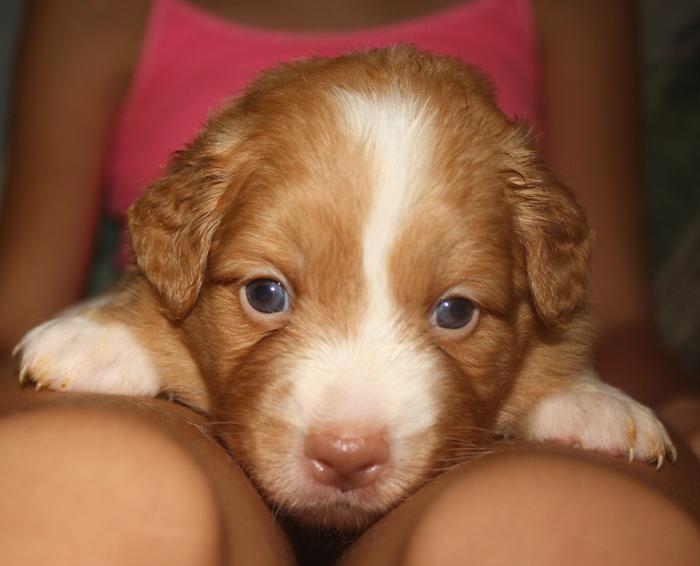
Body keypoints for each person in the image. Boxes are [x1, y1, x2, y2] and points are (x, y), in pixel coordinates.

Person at [0, 1, 699, 564]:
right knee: (96, 486)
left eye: (453, 311)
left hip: (473, 469)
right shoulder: (99, 14)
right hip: (193, 442)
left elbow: (608, 320)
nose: (348, 440)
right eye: (267, 294)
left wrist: (666, 402)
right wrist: (130, 338)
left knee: (555, 530)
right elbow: (23, 315)